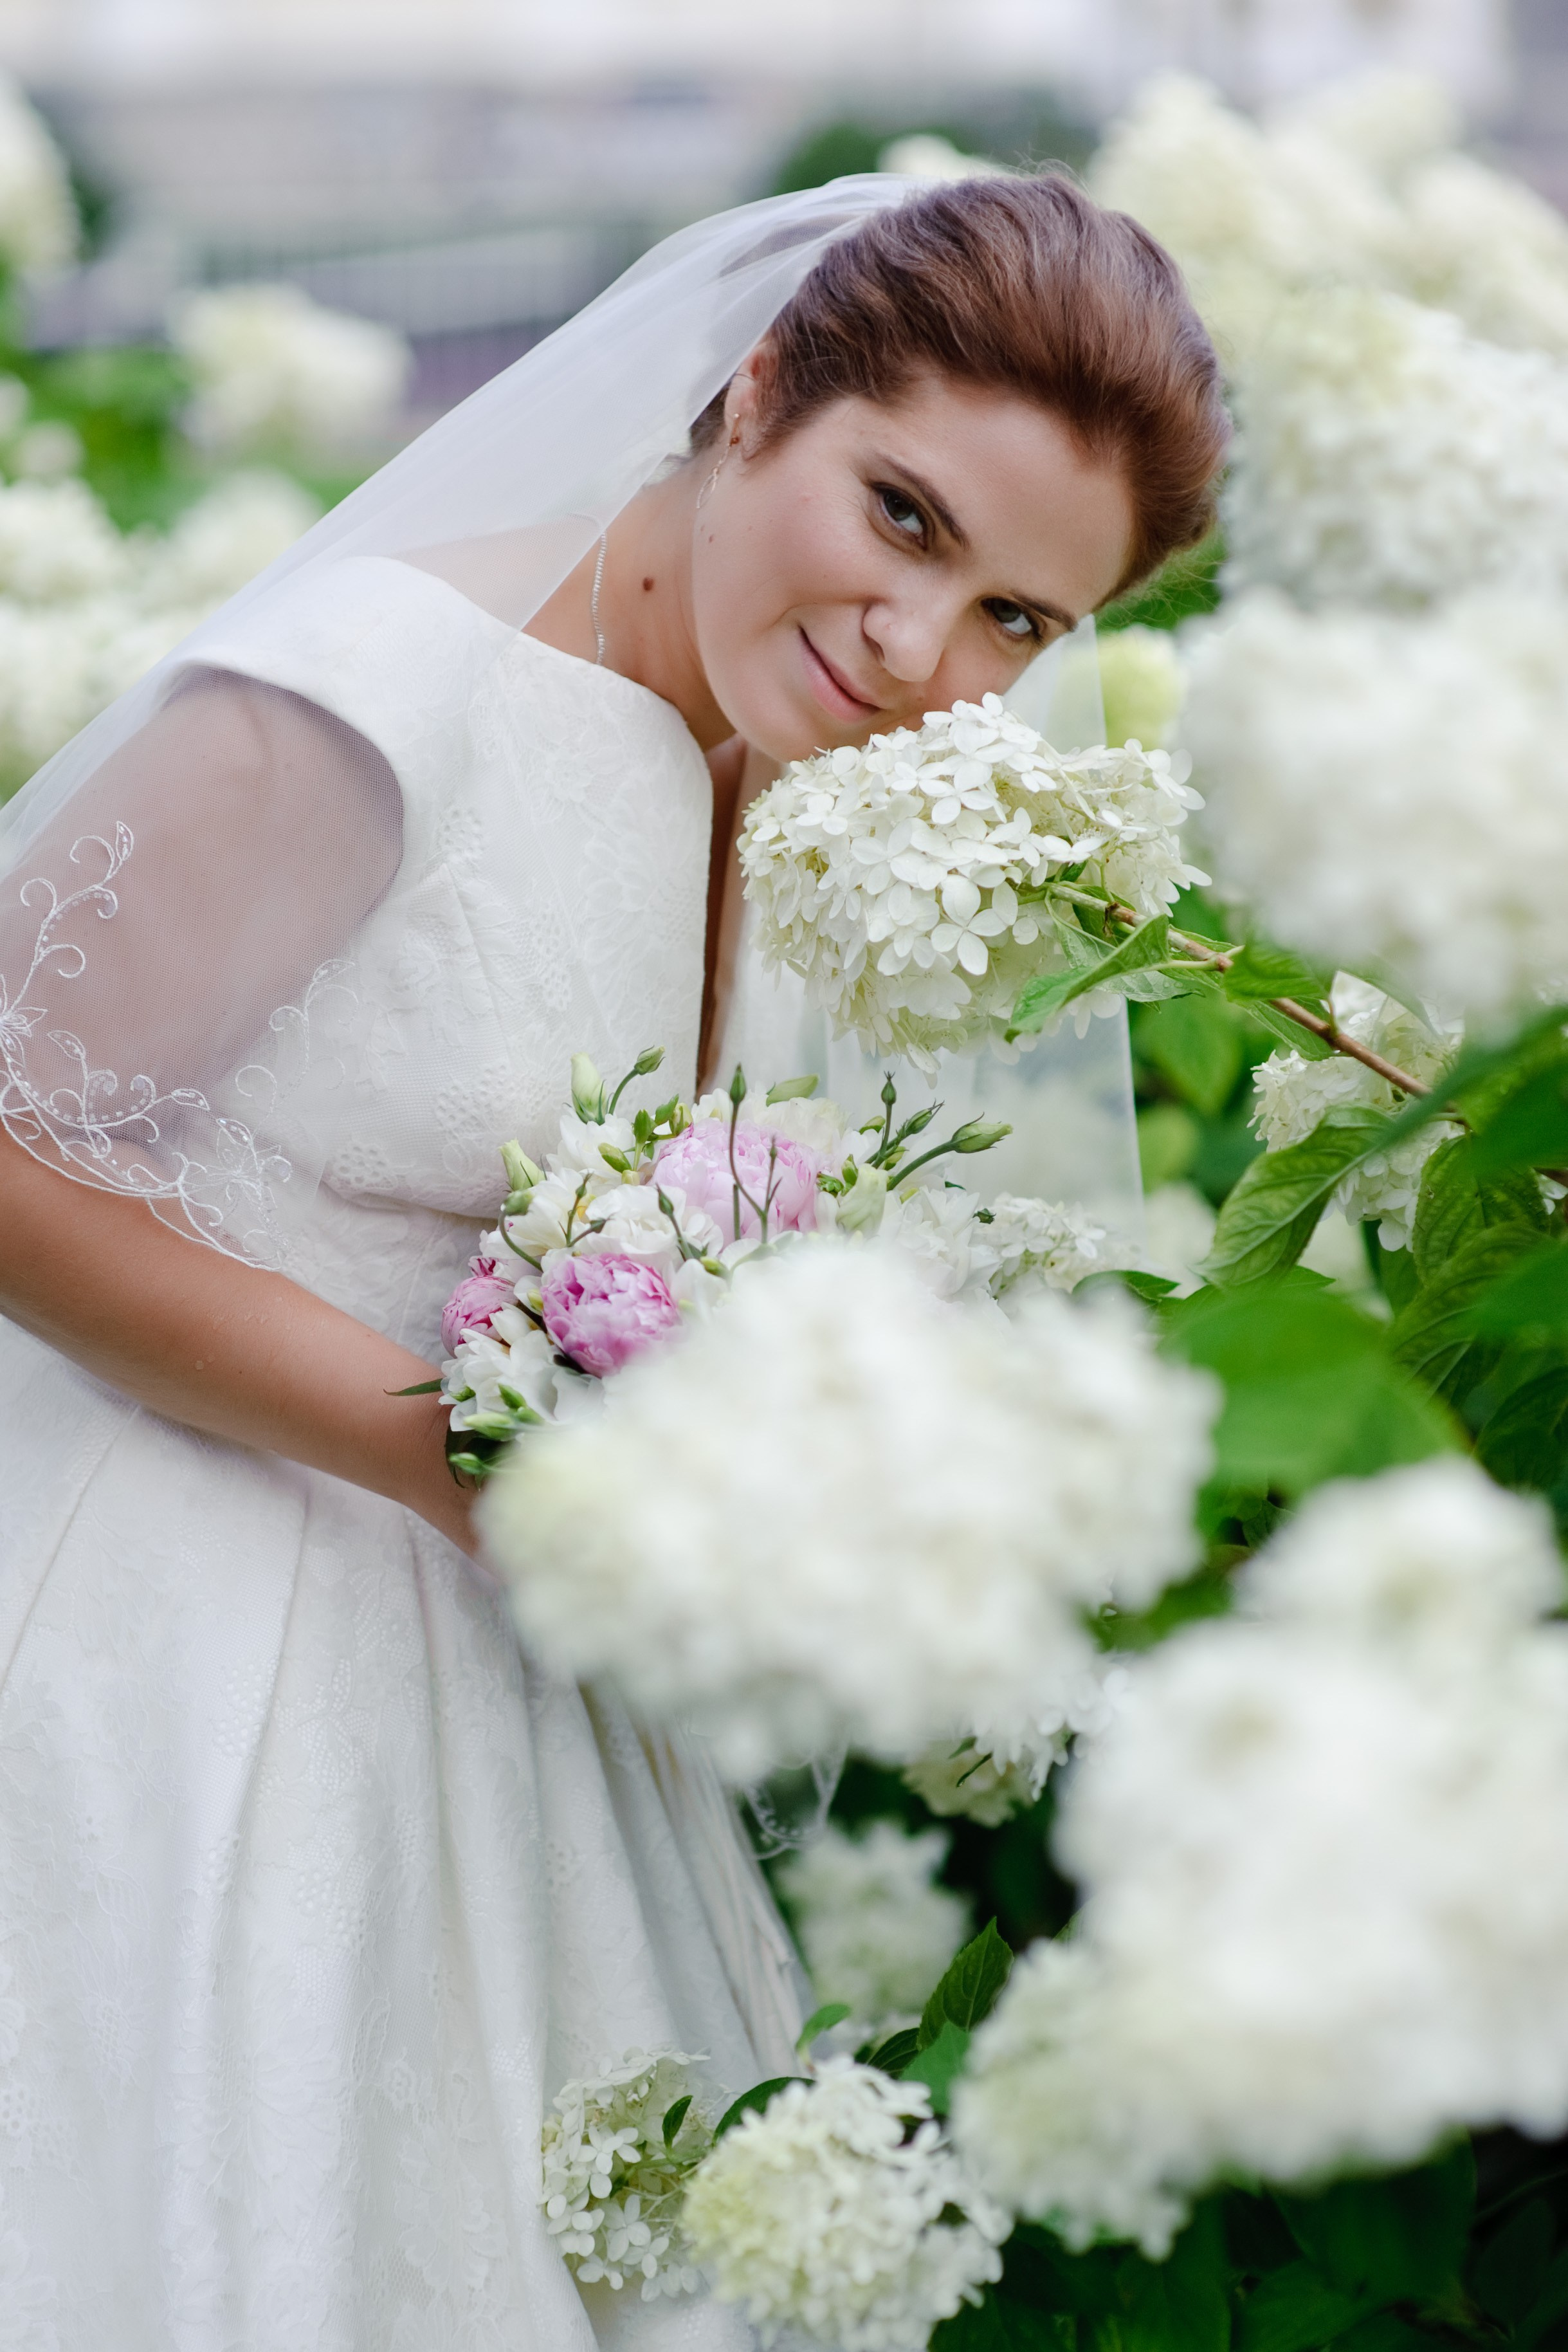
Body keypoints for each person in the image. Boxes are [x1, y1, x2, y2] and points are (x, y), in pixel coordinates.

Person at [0, 173, 1226, 2344]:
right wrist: (474, 1470)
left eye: (1022, 622)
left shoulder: (792, 777)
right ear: (756, 395)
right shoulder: (387, 689)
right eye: (907, 519)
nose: (923, 654)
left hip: (531, 1699)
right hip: (198, 1643)